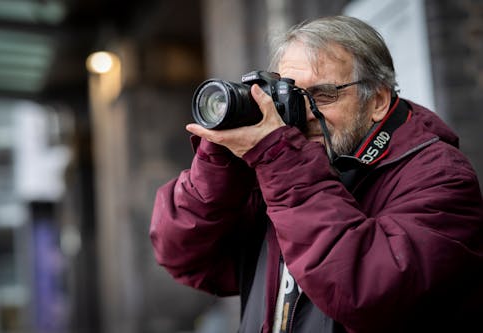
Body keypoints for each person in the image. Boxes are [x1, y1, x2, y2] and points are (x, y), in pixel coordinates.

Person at [150, 15, 483, 333]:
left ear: (378, 100)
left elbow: (369, 294)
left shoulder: (440, 175)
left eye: (323, 95)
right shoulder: (277, 172)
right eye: (292, 96)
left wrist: (279, 157)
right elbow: (184, 256)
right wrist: (219, 164)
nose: (304, 114)